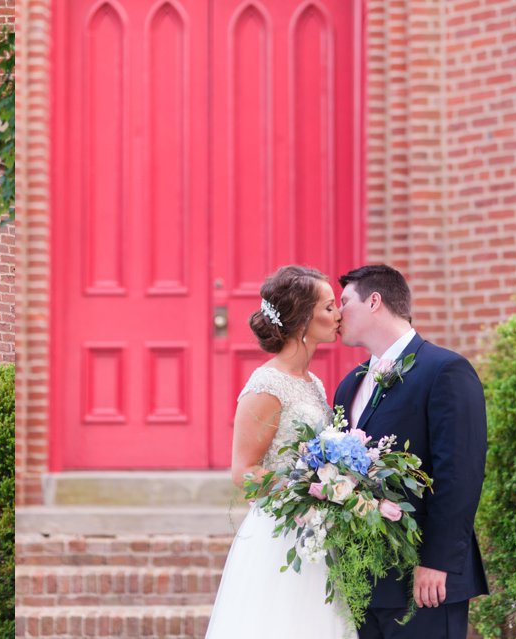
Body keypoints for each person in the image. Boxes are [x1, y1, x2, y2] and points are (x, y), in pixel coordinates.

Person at [333, 264, 487, 639]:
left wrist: (437, 562)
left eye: (344, 302)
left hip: (425, 581)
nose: (337, 314)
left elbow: (460, 475)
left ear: (374, 301)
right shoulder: (348, 385)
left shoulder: (446, 370)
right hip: (362, 580)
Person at [206, 265, 356, 639]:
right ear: (303, 319)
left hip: (320, 533)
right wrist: (308, 490)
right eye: (328, 307)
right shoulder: (266, 386)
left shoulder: (314, 383)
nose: (338, 315)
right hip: (281, 538)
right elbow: (243, 473)